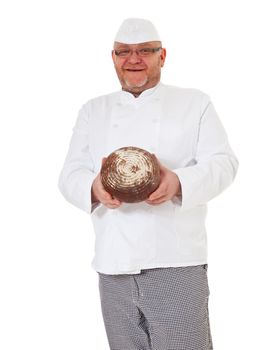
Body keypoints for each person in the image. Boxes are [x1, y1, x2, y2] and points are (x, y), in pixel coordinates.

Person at [58, 17, 238, 350]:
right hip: (113, 266)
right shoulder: (92, 110)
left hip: (175, 262)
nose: (134, 59)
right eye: (123, 52)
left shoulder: (194, 103)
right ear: (113, 58)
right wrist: (95, 188)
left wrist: (178, 182)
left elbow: (224, 163)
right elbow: (70, 175)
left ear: (162, 56)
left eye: (145, 51)